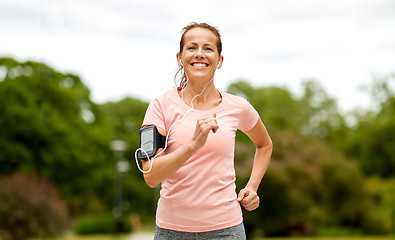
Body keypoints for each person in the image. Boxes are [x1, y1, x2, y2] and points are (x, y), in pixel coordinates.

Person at [139, 22, 272, 239]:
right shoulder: (161, 106)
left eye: (208, 48)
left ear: (219, 61)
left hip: (227, 230)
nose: (200, 54)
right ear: (179, 58)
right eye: (192, 48)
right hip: (172, 231)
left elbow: (265, 145)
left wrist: (253, 186)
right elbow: (151, 176)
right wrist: (193, 145)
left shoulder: (237, 107)